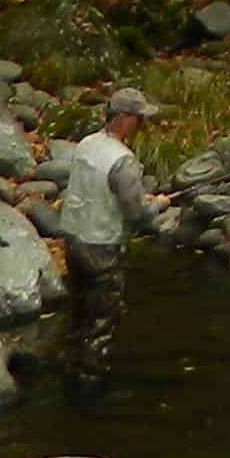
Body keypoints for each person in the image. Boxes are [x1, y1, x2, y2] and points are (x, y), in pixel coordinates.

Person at [54, 84, 158, 392]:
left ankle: (68, 365)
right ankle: (91, 381)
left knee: (79, 309)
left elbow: (96, 190)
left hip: (73, 241)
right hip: (102, 247)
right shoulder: (122, 160)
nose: (142, 125)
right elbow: (136, 214)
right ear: (124, 118)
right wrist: (157, 205)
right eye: (140, 119)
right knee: (102, 318)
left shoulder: (86, 144)